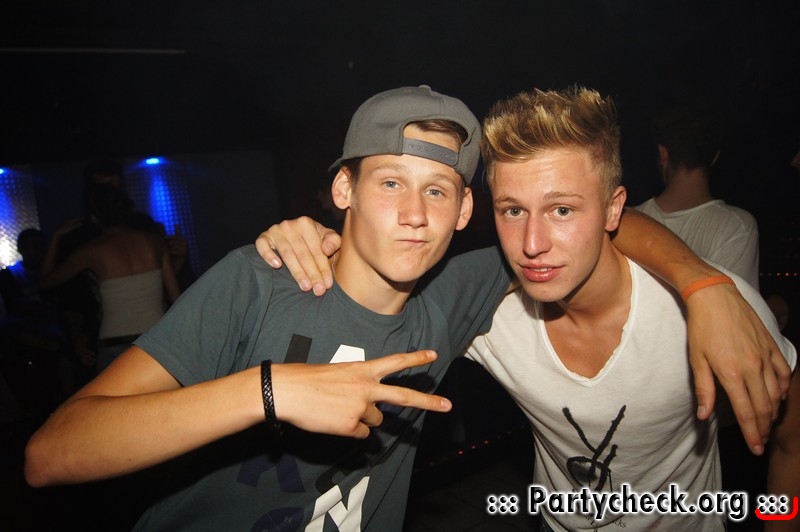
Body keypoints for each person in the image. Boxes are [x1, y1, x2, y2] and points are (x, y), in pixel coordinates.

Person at [25, 86, 789, 531]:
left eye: (438, 191)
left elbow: (586, 224)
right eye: (389, 183)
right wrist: (271, 390)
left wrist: (704, 284)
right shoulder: (260, 280)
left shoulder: (464, 292)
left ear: (465, 213)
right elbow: (51, 455)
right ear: (344, 190)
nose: (415, 214)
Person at [257, 87, 796, 530]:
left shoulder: (711, 309)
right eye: (513, 211)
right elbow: (375, 291)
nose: (532, 244)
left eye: (562, 210)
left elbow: (792, 447)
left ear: (614, 209)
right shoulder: (490, 315)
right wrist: (313, 241)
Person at [40, 184, 181, 371]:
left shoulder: (91, 250)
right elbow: (176, 297)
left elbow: (45, 281)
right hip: (156, 341)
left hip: (116, 345)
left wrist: (56, 236)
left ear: (94, 218)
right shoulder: (154, 241)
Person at [635, 102, 760, 289]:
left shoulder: (626, 220)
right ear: (715, 156)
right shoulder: (737, 226)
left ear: (663, 153)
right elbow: (733, 302)